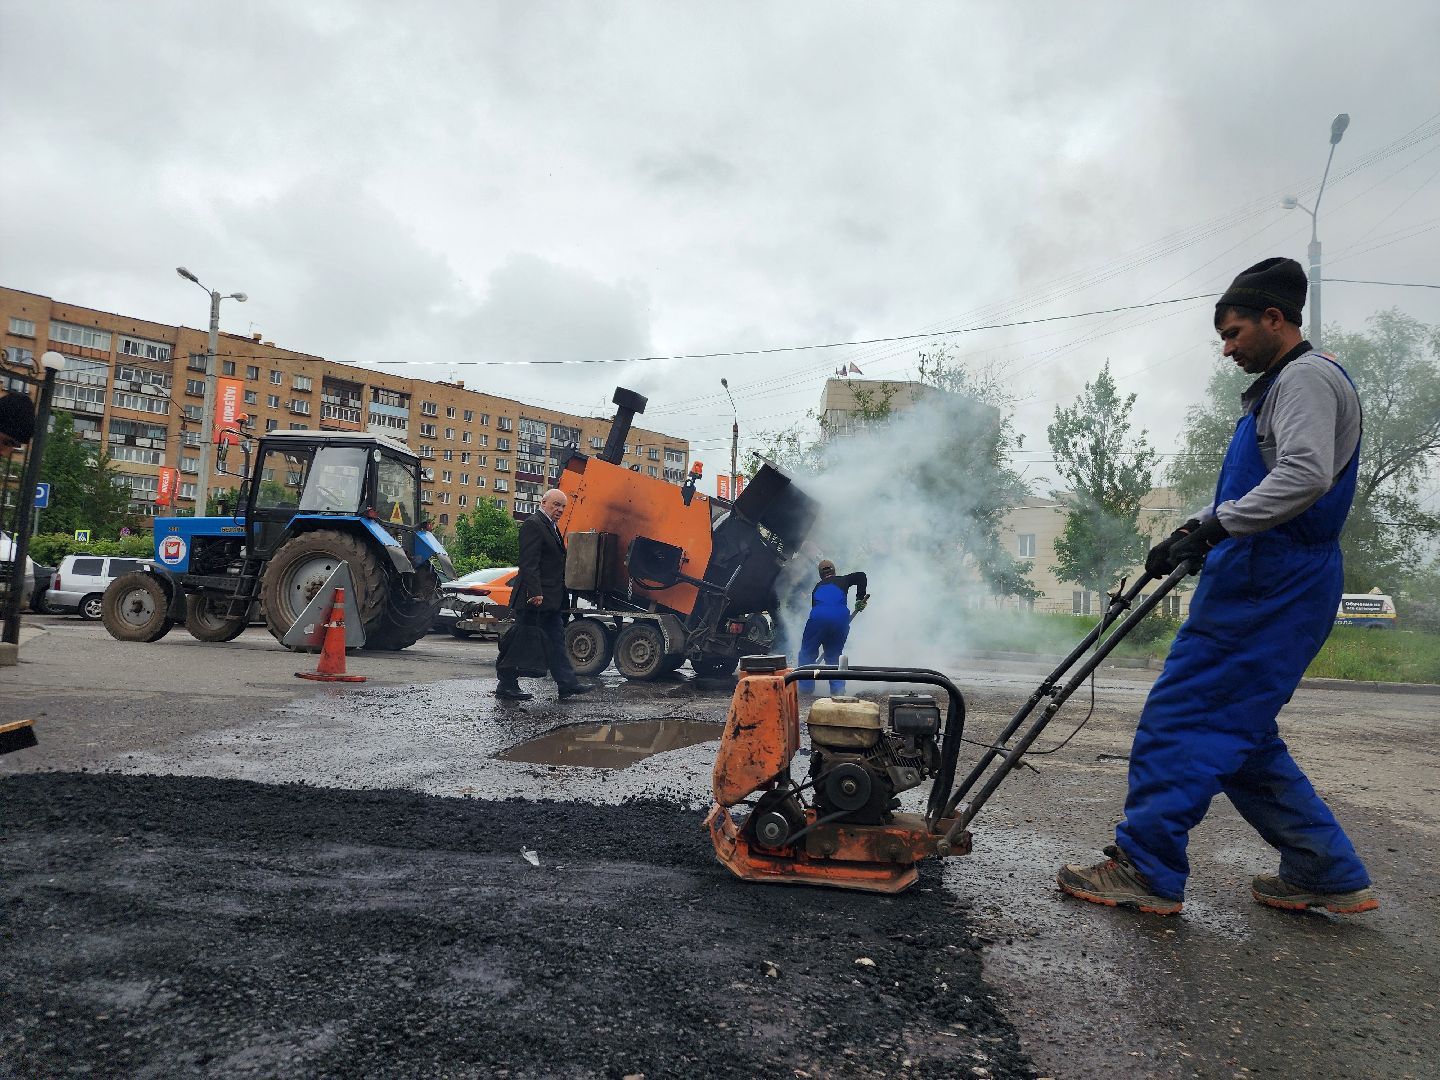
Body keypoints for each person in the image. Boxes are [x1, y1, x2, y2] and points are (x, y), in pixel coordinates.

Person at [1058, 257, 1376, 917]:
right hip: (1268, 575)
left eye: (1234, 334)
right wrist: (1192, 530)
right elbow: (1257, 486)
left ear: (1273, 317)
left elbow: (1305, 475)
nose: (1227, 349)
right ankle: (1324, 868)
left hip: (1271, 582)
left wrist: (1219, 526)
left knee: (1185, 717)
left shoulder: (1306, 379)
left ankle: (1145, 869)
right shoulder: (1281, 386)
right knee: (1241, 735)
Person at [495, 487, 592, 701]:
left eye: (563, 506)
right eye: (556, 504)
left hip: (550, 600)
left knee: (557, 641)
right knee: (521, 640)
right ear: (543, 503)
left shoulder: (552, 527)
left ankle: (567, 684)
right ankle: (506, 684)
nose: (560, 509)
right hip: (533, 600)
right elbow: (529, 563)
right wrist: (535, 592)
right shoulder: (533, 524)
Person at [797, 559, 869, 695]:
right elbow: (861, 576)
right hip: (840, 619)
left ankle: (805, 688)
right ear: (834, 571)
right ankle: (838, 690)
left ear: (820, 575)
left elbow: (817, 608)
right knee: (834, 655)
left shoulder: (817, 587)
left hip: (819, 617)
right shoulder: (843, 580)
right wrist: (859, 598)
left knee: (808, 652)